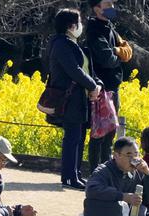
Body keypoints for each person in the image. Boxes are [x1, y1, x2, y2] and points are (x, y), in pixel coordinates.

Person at [45, 8, 101, 190]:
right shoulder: (61, 44)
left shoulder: (72, 43)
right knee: (72, 138)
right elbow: (74, 70)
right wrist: (92, 86)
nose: (81, 25)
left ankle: (75, 174)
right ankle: (68, 177)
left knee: (78, 137)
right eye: (79, 22)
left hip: (79, 98)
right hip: (69, 98)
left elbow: (85, 70)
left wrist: (96, 84)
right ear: (70, 25)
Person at [84, 0, 131, 173]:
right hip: (102, 88)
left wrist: (117, 51)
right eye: (108, 4)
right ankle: (96, 172)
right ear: (97, 9)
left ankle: (106, 169)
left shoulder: (109, 27)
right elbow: (107, 59)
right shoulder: (95, 30)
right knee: (100, 132)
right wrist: (119, 52)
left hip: (113, 87)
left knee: (110, 132)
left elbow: (128, 49)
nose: (112, 7)